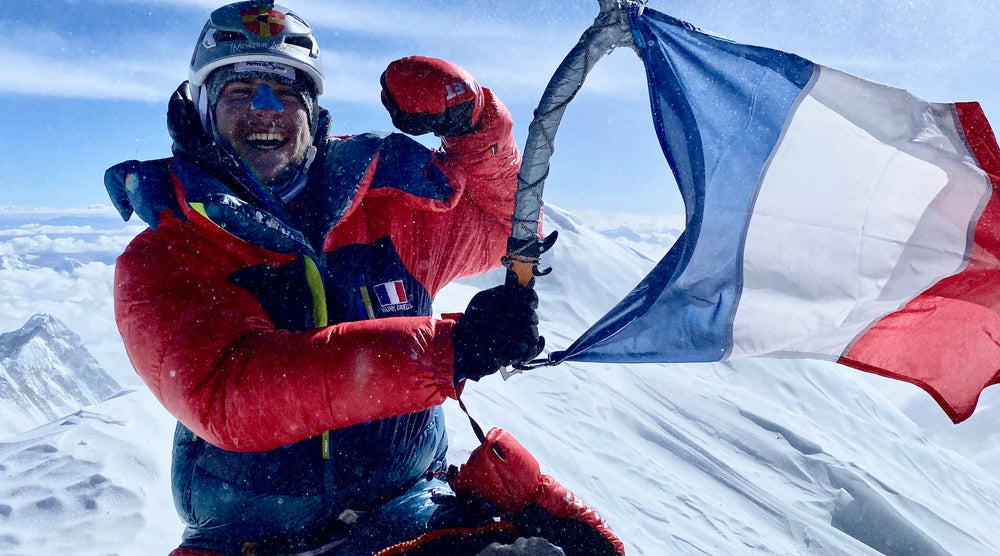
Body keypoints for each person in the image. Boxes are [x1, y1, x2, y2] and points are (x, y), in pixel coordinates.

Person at [105, 2, 624, 555]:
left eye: (285, 91)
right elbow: (230, 394)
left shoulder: (390, 206)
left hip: (413, 513)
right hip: (252, 540)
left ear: (311, 106)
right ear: (202, 109)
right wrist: (447, 350)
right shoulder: (166, 255)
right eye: (239, 91)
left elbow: (507, 230)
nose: (265, 109)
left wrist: (477, 131)